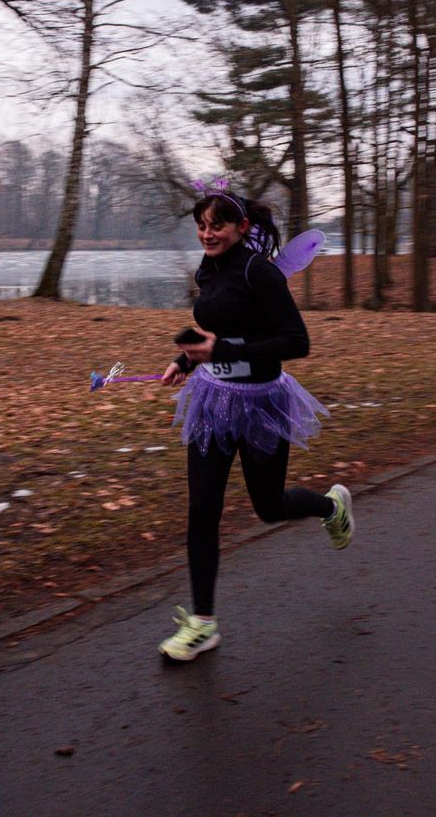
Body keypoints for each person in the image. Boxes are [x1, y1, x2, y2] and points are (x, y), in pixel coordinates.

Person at [158, 185, 354, 662]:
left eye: (217, 225)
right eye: (201, 226)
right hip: (213, 399)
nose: (207, 234)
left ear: (241, 228)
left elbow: (296, 342)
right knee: (203, 509)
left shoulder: (259, 272)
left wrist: (222, 351)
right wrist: (186, 359)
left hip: (263, 403)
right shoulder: (210, 268)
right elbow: (217, 326)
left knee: (267, 506)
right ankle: (203, 623)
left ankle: (331, 508)